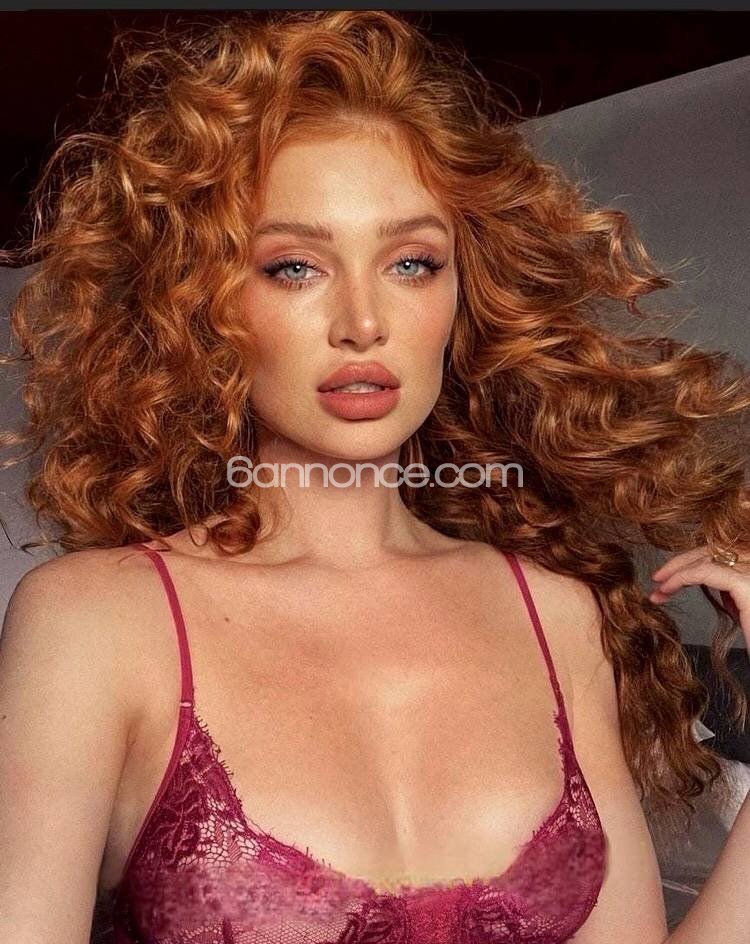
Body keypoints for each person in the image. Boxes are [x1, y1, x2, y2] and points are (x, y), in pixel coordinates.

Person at [0, 10, 749, 944]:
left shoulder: (558, 615)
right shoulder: (97, 624)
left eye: (411, 263)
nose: (363, 321)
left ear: (463, 290)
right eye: (294, 267)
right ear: (200, 301)